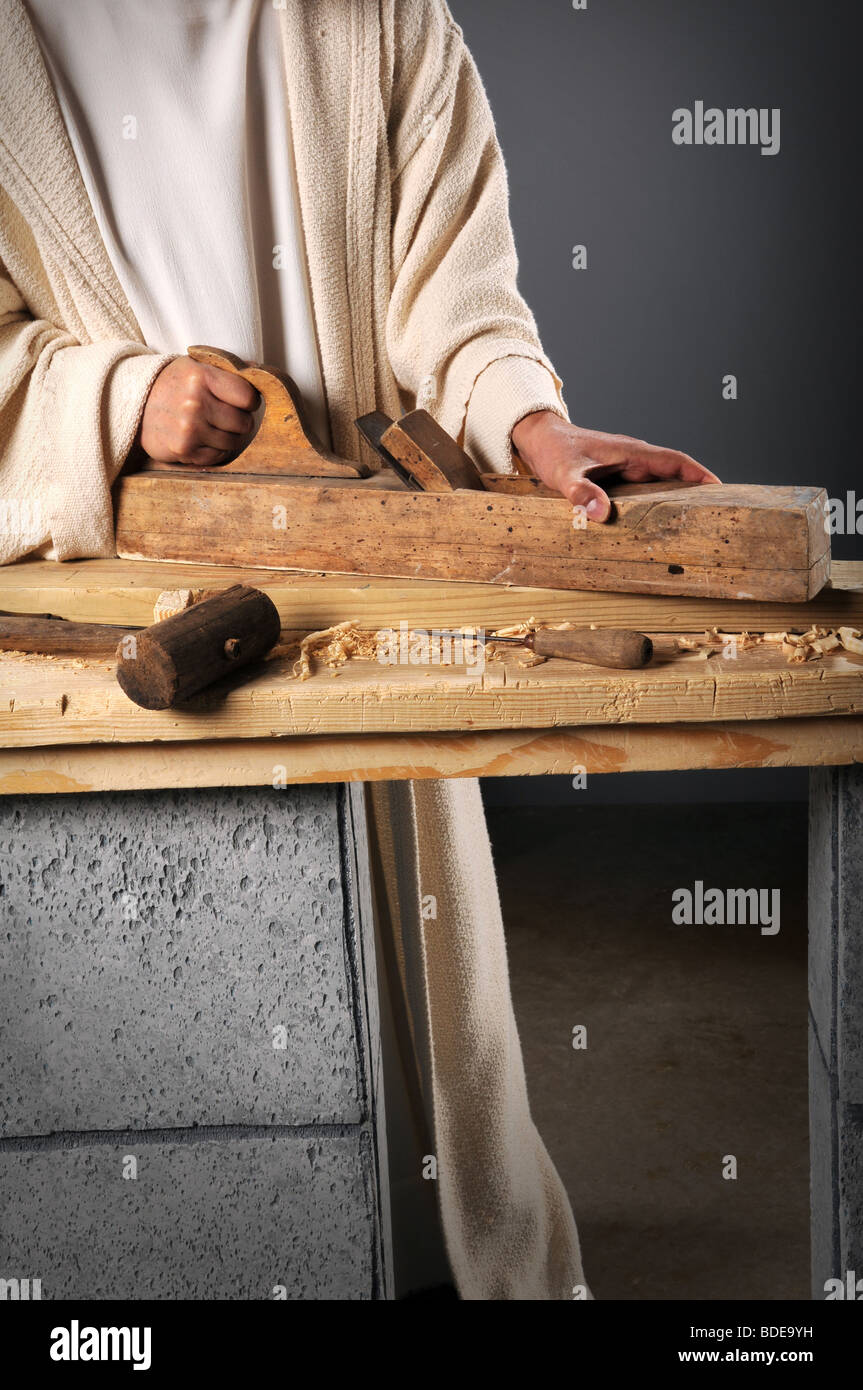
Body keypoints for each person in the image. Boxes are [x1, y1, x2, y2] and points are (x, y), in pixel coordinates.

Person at [0, 0, 717, 1298]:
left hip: (359, 581)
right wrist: (119, 394)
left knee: (404, 1035)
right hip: (124, 597)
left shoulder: (382, 18)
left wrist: (529, 424)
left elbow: (456, 292)